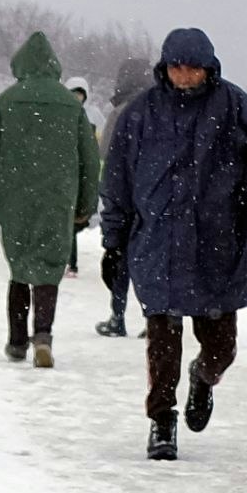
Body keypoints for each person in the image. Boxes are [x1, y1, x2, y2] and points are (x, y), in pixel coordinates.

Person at [97, 28, 247, 462]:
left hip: (217, 244)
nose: (185, 76)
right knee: (162, 338)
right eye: (177, 67)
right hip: (158, 243)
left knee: (222, 344)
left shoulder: (235, 108)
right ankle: (162, 420)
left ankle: (204, 376)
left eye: (193, 67)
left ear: (208, 68)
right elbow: (118, 184)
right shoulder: (140, 115)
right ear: (165, 68)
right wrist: (114, 243)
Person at [0, 33, 104, 368]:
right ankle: (42, 336)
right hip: (57, 198)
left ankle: (15, 341)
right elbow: (88, 159)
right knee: (49, 270)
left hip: (15, 198)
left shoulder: (8, 100)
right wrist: (86, 204)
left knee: (20, 267)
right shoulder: (71, 104)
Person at [94, 56, 155, 337]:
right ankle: (154, 318)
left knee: (119, 255)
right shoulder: (162, 108)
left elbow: (106, 157)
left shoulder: (121, 112)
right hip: (156, 197)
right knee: (152, 257)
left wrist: (108, 194)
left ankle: (118, 316)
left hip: (124, 196)